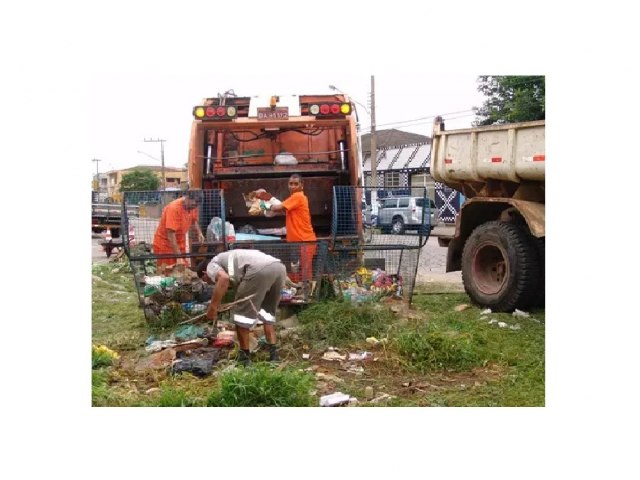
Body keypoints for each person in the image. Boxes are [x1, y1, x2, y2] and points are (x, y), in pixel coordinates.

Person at [197, 249, 286, 366]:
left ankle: (245, 358)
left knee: (240, 317)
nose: (209, 283)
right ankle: (274, 355)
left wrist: (212, 308)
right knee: (266, 314)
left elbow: (223, 279)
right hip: (279, 268)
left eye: (205, 280)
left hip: (259, 270)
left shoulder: (211, 265)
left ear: (204, 273)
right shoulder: (229, 260)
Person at [262, 174, 317, 283]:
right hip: (297, 241)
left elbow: (278, 207)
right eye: (290, 184)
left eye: (295, 184)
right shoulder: (294, 199)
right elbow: (281, 208)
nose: (292, 186)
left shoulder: (298, 196)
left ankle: (305, 294)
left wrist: (263, 206)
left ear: (302, 185)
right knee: (296, 269)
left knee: (304, 272)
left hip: (304, 241)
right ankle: (299, 292)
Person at [153, 189, 205, 272]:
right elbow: (171, 235)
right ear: (187, 197)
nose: (194, 207)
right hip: (165, 245)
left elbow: (194, 220)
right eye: (193, 204)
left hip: (180, 242)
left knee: (182, 269)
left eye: (196, 206)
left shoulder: (193, 207)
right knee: (167, 271)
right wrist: (178, 257)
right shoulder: (174, 208)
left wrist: (199, 232)